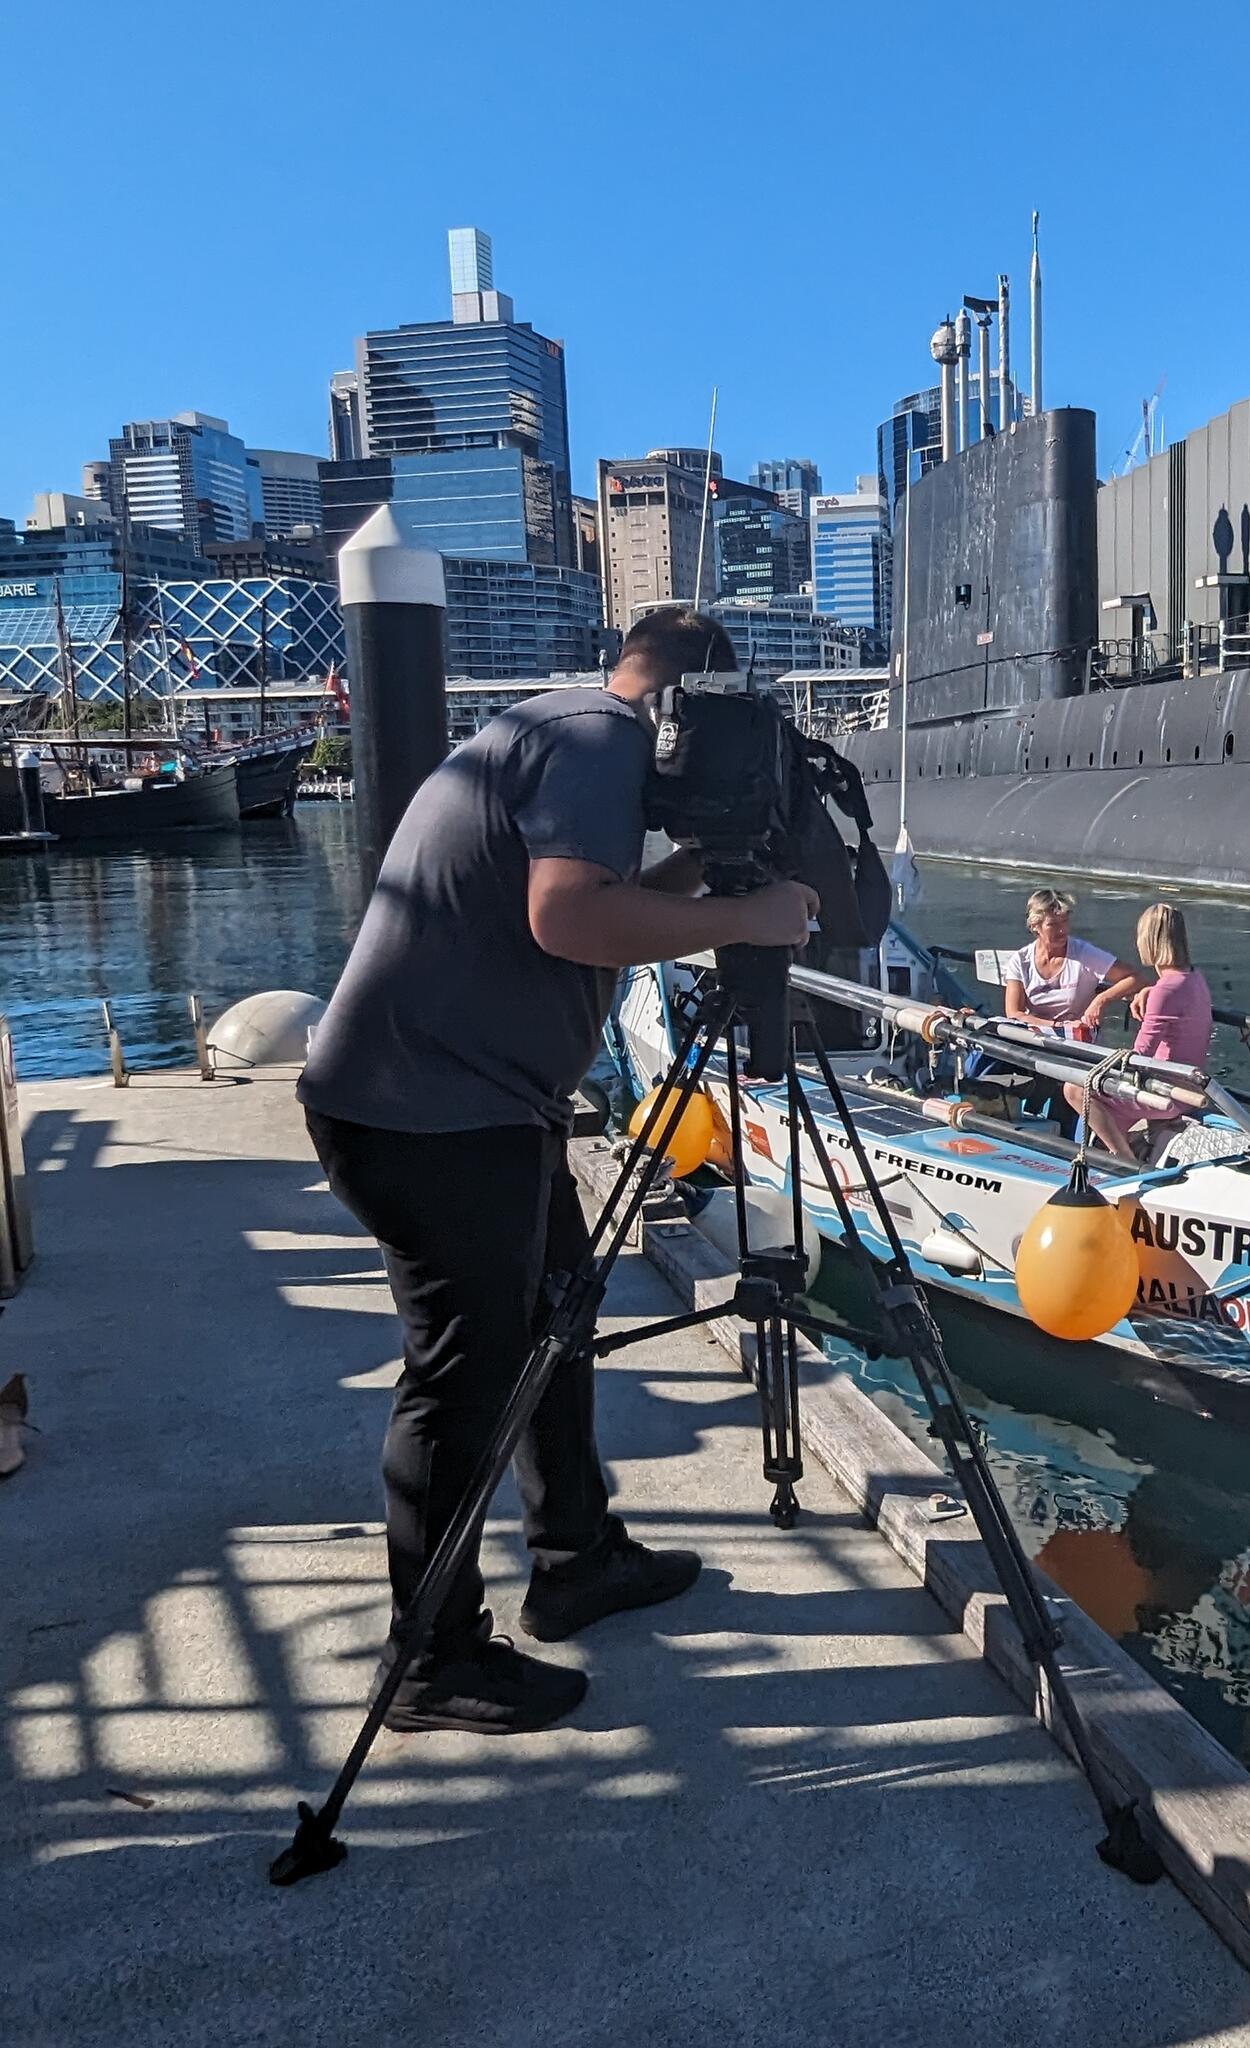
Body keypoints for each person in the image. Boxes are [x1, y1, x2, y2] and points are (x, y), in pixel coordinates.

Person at [298, 607, 816, 1737]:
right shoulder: (600, 739)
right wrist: (748, 913)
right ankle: (430, 1658)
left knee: (553, 1323)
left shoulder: (562, 726)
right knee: (465, 1376)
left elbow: (586, 895)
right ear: (693, 700)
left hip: (475, 1104)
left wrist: (692, 871)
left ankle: (576, 1554)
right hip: (429, 1114)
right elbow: (565, 915)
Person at [1064, 904, 1214, 1162]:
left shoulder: (1164, 991)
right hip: (1189, 1084)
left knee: (1074, 1088)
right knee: (1110, 1106)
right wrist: (1149, 990)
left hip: (1166, 1093)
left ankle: (1124, 1159)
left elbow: (1139, 1057)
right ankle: (1116, 1147)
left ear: (1149, 940)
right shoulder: (1194, 977)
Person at [1000, 887, 1143, 1043]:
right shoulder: (1020, 961)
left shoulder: (1084, 954)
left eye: (1065, 921)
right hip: (1036, 1039)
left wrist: (1101, 1000)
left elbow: (1135, 978)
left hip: (1079, 1040)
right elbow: (1014, 1014)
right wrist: (1057, 1026)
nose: (1062, 930)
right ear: (1035, 926)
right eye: (1053, 924)